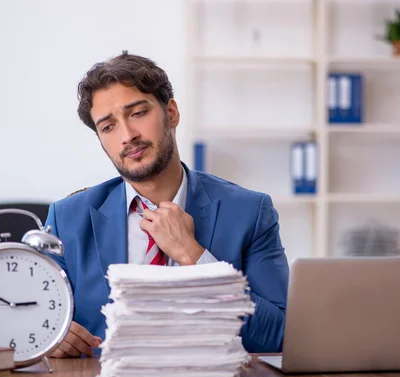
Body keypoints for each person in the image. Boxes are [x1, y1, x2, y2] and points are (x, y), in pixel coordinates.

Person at [45, 51, 289, 358]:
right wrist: (49, 332)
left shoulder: (250, 213)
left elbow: (280, 336)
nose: (127, 136)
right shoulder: (67, 219)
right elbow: (26, 319)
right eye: (108, 127)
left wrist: (194, 258)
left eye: (137, 114)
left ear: (171, 113)